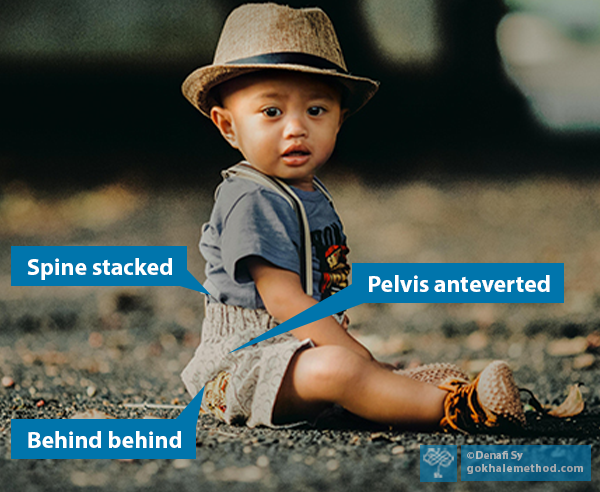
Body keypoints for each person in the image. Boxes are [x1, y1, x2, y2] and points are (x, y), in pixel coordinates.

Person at [180, 3, 525, 433]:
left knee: (346, 367)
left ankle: (393, 391)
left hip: (298, 351)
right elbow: (284, 299)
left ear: (339, 120)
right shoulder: (250, 198)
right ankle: (458, 408)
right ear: (228, 126)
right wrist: (354, 354)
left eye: (316, 111)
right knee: (340, 369)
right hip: (244, 367)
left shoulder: (308, 194)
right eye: (271, 112)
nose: (296, 128)